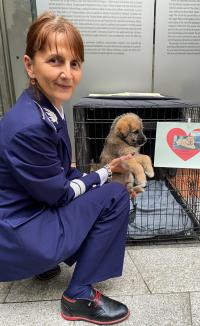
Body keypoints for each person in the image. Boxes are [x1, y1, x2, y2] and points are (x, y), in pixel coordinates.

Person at [0, 11, 132, 324]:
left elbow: (57, 174)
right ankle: (79, 296)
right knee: (116, 196)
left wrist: (94, 179)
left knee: (99, 190)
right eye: (55, 61)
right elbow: (59, 194)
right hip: (15, 237)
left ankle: (44, 266)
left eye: (74, 63)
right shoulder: (30, 125)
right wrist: (102, 177)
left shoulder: (43, 106)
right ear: (30, 65)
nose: (67, 73)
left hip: (17, 220)